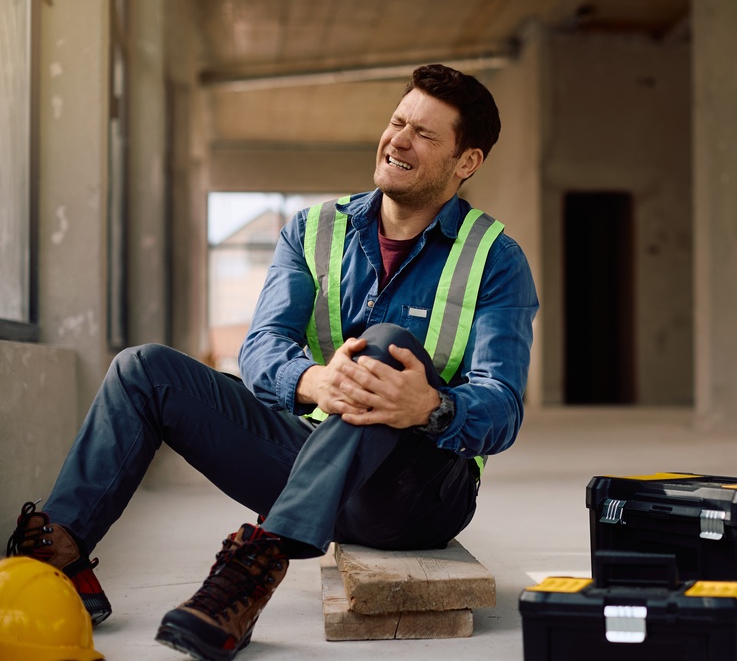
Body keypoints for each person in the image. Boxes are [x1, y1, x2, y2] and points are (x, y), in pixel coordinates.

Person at [5, 63, 538, 661]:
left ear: (466, 162)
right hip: (307, 457)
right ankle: (58, 562)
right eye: (397, 122)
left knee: (384, 345)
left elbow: (503, 405)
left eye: (425, 134)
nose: (399, 140)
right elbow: (261, 349)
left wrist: (430, 406)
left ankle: (258, 560)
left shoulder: (496, 258)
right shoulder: (311, 231)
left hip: (415, 495)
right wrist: (315, 381)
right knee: (143, 368)